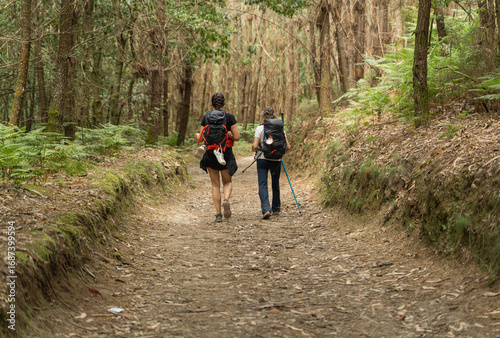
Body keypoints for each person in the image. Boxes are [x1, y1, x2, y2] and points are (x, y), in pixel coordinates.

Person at [196, 93, 240, 223]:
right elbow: (237, 137)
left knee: (215, 185)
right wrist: (230, 135)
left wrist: (196, 135)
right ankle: (226, 200)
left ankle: (218, 214)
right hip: (225, 153)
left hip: (210, 153)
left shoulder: (207, 117)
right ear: (224, 104)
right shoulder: (229, 117)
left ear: (212, 104)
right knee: (227, 182)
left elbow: (201, 138)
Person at [252, 108, 291, 219]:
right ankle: (276, 208)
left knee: (263, 184)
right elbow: (288, 146)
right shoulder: (280, 129)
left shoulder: (260, 128)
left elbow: (255, 146)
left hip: (262, 159)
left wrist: (254, 149)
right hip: (276, 160)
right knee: (275, 183)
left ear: (263, 117)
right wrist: (279, 152)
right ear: (274, 116)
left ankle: (266, 209)